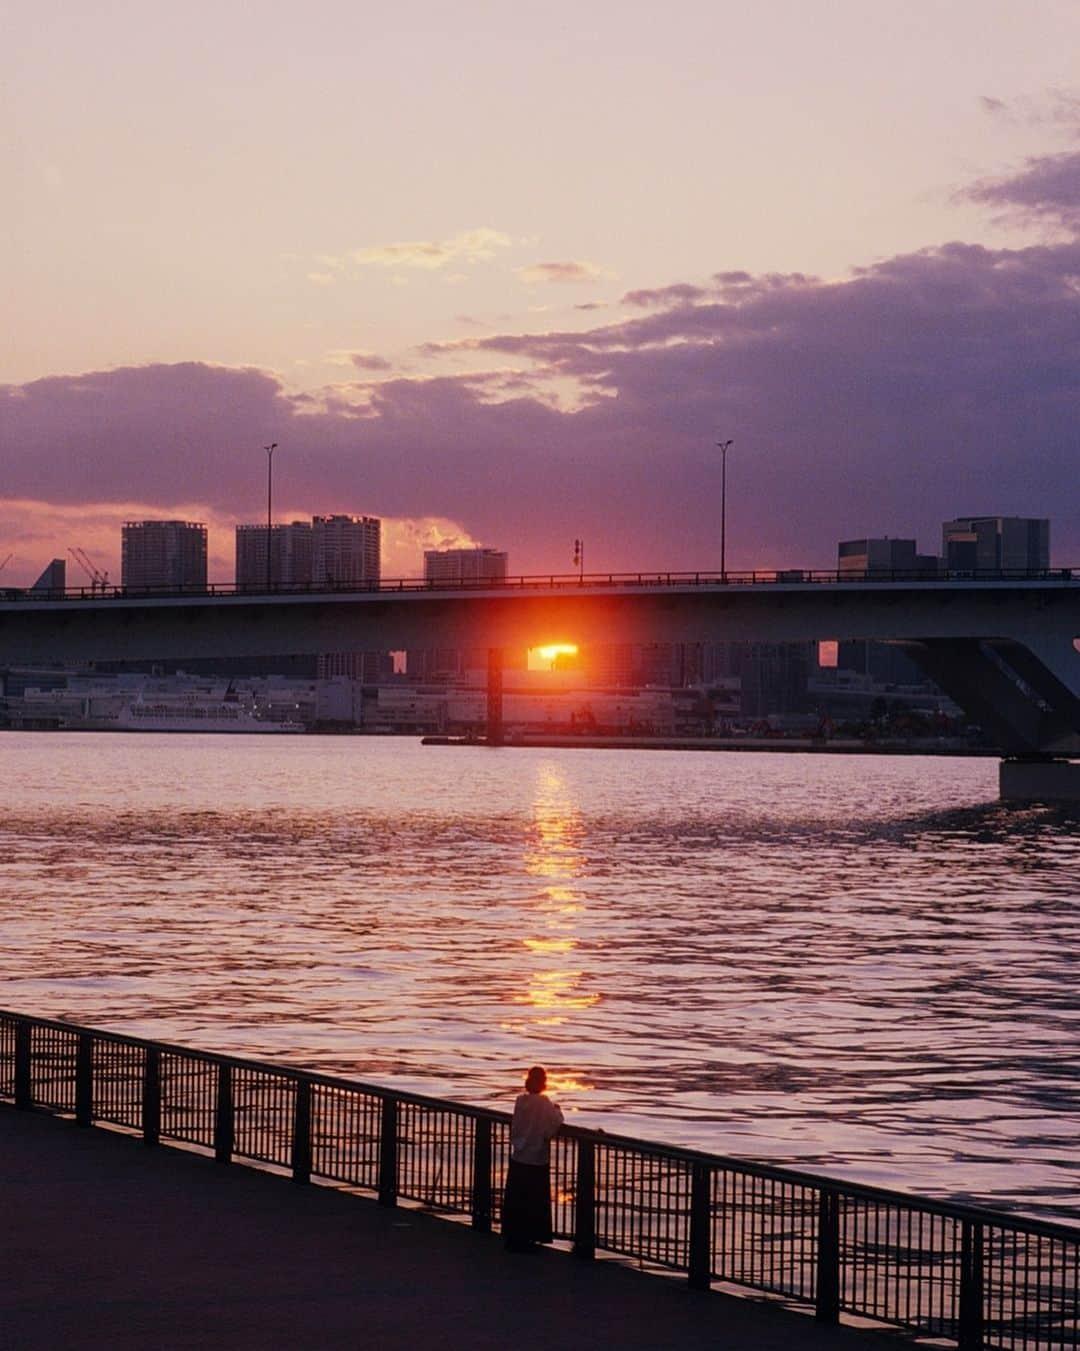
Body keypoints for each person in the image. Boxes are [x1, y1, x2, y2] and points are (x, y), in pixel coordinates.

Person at [502, 1065, 564, 1253]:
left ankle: (514, 1235)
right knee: (534, 1199)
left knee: (518, 1198)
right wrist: (558, 1111)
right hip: (536, 1158)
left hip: (519, 1155)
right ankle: (531, 1237)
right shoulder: (544, 1103)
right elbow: (552, 1127)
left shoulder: (520, 1101)